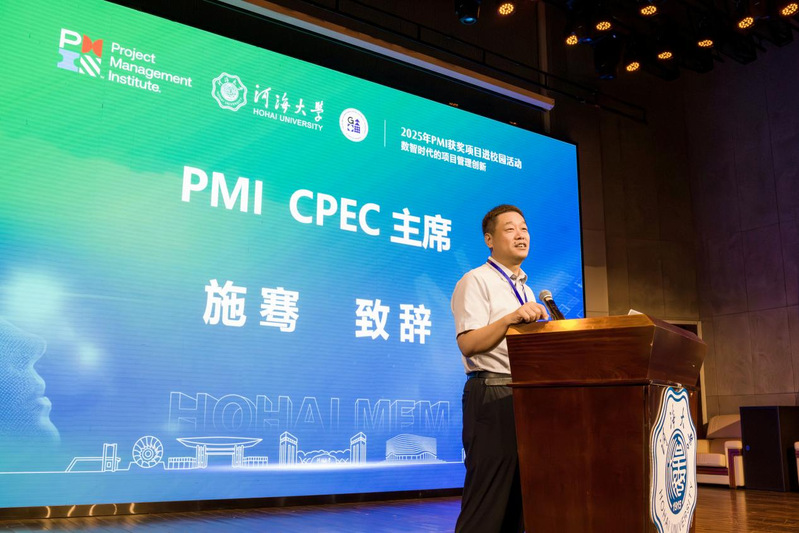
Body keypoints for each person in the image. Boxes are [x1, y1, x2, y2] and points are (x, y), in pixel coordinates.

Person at [451, 204, 549, 532]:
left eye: (524, 228)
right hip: (491, 395)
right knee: (487, 504)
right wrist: (510, 318)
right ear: (489, 240)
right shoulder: (476, 280)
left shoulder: (526, 289)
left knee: (518, 506)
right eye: (510, 229)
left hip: (524, 395)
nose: (521, 235)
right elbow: (468, 343)